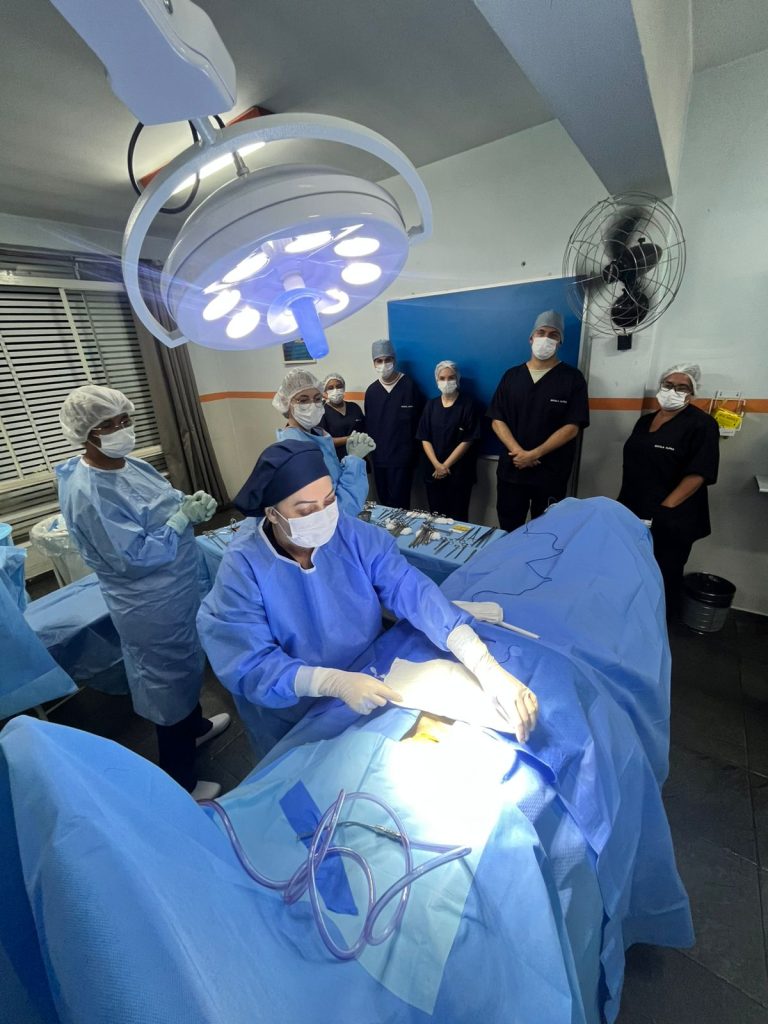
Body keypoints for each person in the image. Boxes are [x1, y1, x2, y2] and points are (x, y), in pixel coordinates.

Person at [197, 440, 539, 755]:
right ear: (272, 514)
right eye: (305, 510)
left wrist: (482, 662)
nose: (323, 516)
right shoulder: (244, 566)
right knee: (305, 775)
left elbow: (408, 587)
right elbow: (248, 661)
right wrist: (329, 681)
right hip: (292, 705)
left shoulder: (350, 534)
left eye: (329, 500)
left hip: (368, 672)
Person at [56, 384, 230, 800]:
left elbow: (164, 501)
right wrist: (179, 522)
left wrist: (188, 503)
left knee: (188, 664)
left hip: (175, 587)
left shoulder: (129, 465)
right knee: (166, 681)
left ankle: (196, 728)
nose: (122, 429)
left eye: (124, 419)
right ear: (86, 433)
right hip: (149, 603)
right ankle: (181, 779)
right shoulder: (88, 492)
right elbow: (130, 557)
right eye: (109, 424)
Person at [618, 364, 719, 618]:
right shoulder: (645, 421)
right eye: (668, 385)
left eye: (682, 387)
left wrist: (663, 511)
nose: (672, 391)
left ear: (692, 393)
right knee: (633, 567)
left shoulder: (702, 424)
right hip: (635, 508)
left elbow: (698, 474)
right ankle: (632, 618)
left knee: (664, 572)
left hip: (673, 517)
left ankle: (661, 624)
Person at [487, 310, 589, 531]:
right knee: (509, 530)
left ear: (560, 341)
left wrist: (534, 454)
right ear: (531, 338)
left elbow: (572, 426)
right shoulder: (511, 376)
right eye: (541, 332)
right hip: (512, 471)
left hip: (550, 473)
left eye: (553, 335)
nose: (546, 338)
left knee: (546, 533)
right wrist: (519, 452)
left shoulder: (572, 378)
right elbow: (497, 419)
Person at [274, 368, 374, 515]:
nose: (312, 405)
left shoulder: (317, 435)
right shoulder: (296, 450)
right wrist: (354, 460)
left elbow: (334, 476)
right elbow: (336, 508)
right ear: (286, 403)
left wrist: (348, 462)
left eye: (317, 399)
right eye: (303, 400)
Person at [416, 360, 483, 521]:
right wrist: (437, 465)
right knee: (436, 517)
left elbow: (468, 439)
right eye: (442, 378)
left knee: (458, 518)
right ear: (436, 380)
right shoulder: (431, 406)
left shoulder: (468, 405)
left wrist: (445, 466)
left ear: (457, 379)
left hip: (459, 473)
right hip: (433, 472)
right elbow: (424, 437)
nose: (446, 382)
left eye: (451, 377)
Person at [364, 339, 424, 509]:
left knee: (400, 504)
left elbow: (418, 423)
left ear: (394, 360)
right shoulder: (372, 392)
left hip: (403, 458)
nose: (383, 364)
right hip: (379, 458)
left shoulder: (409, 386)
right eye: (379, 360)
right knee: (383, 503)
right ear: (374, 363)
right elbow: (370, 425)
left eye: (387, 360)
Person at [319, 372, 365, 460]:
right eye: (330, 388)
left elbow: (364, 430)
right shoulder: (322, 412)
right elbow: (324, 441)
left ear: (343, 388)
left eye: (339, 386)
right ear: (325, 392)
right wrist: (349, 439)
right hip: (337, 459)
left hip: (359, 457)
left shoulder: (354, 407)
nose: (335, 390)